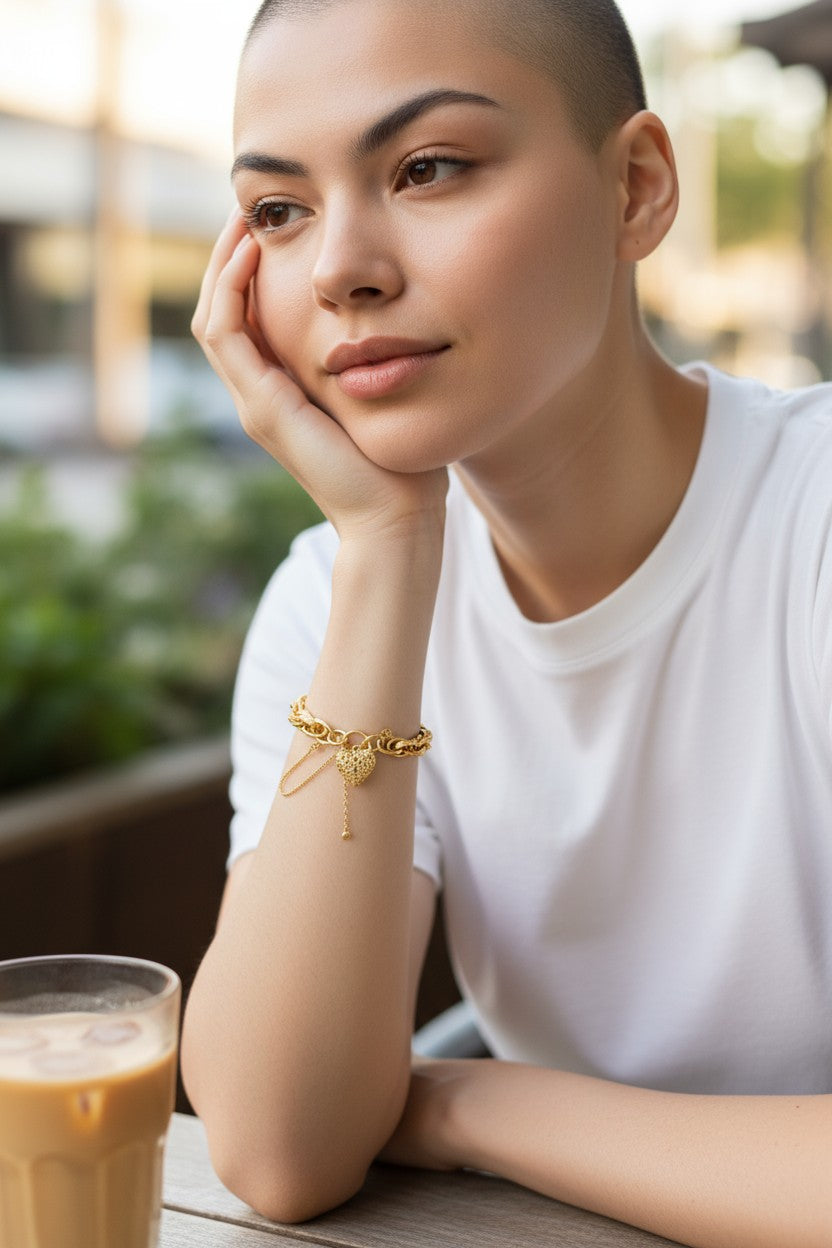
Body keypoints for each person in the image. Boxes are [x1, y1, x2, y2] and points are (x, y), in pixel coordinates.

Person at [179, 0, 832, 1243]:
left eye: (426, 169)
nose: (338, 270)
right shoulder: (333, 597)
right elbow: (276, 1145)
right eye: (278, 210)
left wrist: (471, 1109)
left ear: (635, 187)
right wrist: (386, 551)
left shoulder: (814, 523)